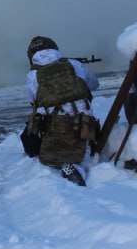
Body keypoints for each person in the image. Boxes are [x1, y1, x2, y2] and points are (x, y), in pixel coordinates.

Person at [24, 36, 100, 186]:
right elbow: (94, 84)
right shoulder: (74, 64)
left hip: (54, 126)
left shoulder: (33, 75)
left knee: (41, 148)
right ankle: (79, 162)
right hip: (85, 124)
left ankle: (67, 165)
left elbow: (32, 100)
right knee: (85, 153)